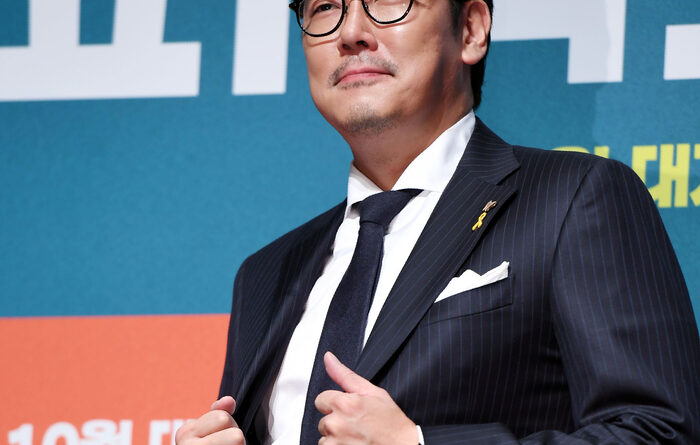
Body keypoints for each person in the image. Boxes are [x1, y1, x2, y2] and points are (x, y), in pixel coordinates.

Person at [176, 0, 700, 443]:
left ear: (470, 30)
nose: (351, 32)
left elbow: (659, 431)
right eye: (325, 7)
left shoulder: (573, 196)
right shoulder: (265, 273)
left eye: (387, 1)